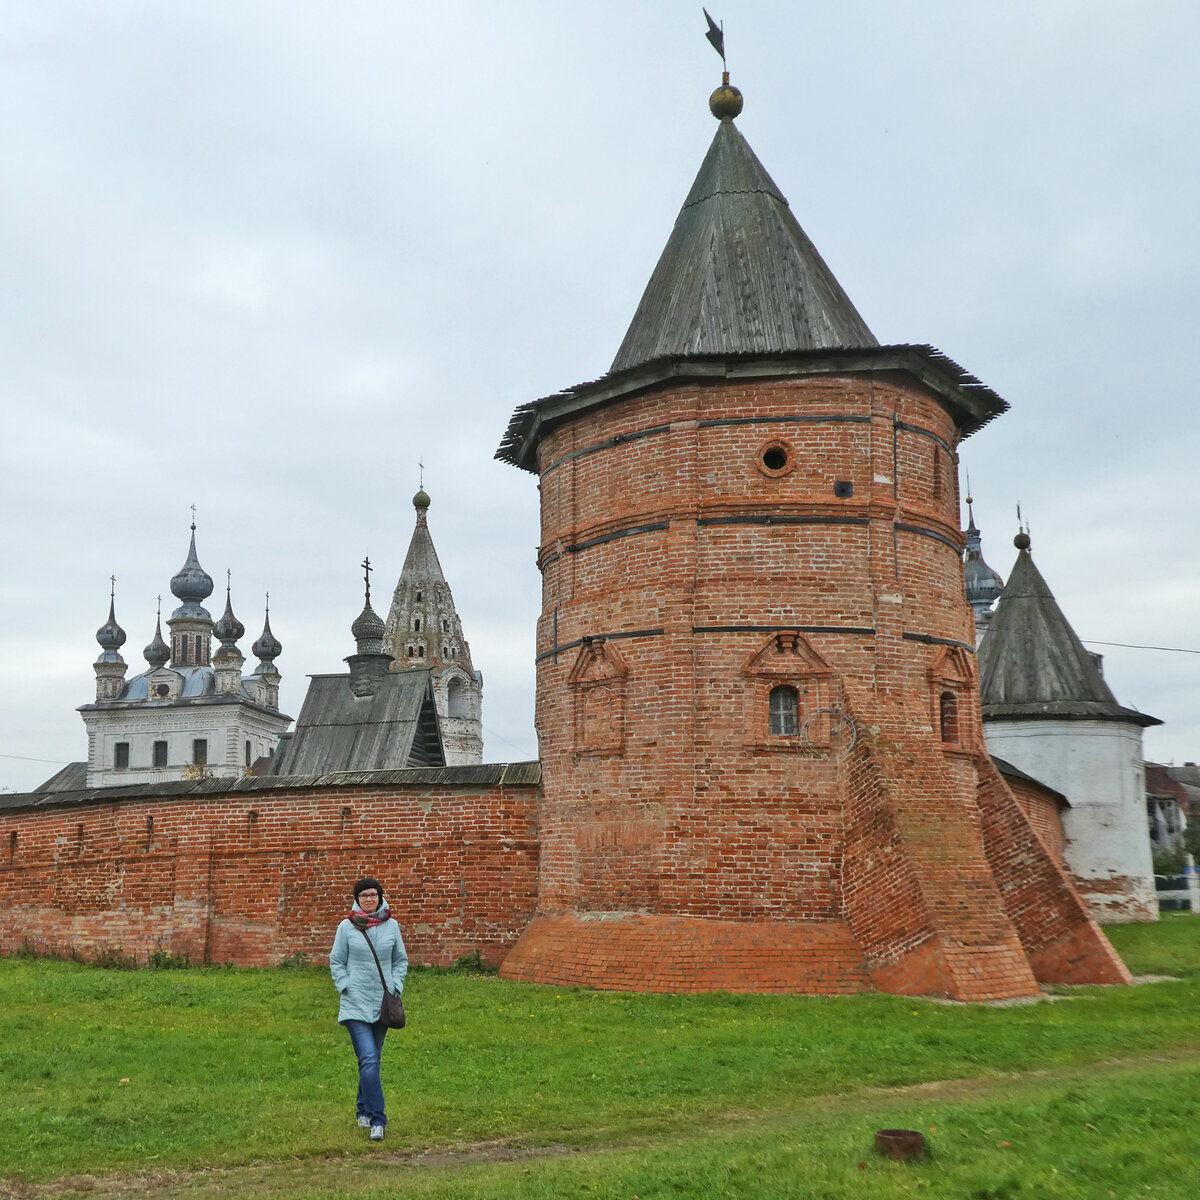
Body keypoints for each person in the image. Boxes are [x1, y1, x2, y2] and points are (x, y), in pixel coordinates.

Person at [329, 876, 408, 1142]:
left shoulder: (392, 926)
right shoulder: (346, 927)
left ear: (380, 897)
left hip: (383, 1004)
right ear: (357, 899)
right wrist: (345, 986)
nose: (369, 899)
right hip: (355, 1004)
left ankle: (362, 1109)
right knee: (369, 1060)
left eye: (373, 895)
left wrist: (396, 987)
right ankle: (377, 1119)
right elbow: (336, 961)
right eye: (364, 896)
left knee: (371, 1061)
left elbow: (400, 960)